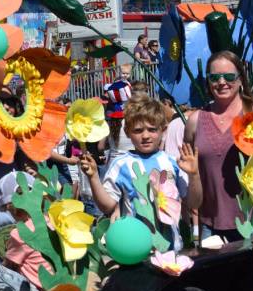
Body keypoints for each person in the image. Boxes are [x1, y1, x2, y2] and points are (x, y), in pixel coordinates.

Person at [185, 52, 253, 240]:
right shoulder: (195, 121)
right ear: (208, 82)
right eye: (215, 77)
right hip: (212, 222)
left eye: (229, 76)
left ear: (241, 79)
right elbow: (192, 171)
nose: (222, 82)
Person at [81, 97, 191, 249]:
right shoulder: (120, 164)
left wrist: (195, 175)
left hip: (172, 248)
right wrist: (93, 177)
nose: (145, 136)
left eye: (152, 129)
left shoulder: (172, 162)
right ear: (127, 132)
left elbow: (193, 202)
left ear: (163, 130)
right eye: (138, 130)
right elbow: (107, 206)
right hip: (136, 249)